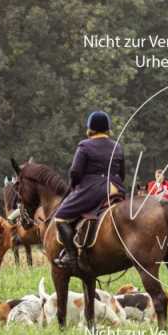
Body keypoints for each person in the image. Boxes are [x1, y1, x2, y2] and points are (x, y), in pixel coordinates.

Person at [53, 111, 125, 271]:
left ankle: (71, 257)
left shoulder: (84, 145)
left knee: (60, 217)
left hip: (94, 189)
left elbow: (75, 172)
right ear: (108, 129)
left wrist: (74, 186)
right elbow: (122, 173)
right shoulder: (117, 146)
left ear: (90, 128)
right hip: (116, 188)